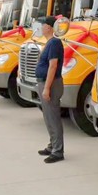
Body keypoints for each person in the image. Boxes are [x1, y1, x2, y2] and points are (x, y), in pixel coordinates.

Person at [35, 16, 65, 163]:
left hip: (51, 84)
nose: (41, 27)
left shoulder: (54, 43)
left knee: (53, 117)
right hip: (45, 83)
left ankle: (58, 151)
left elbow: (53, 66)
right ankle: (52, 145)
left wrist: (46, 88)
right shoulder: (49, 43)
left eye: (43, 25)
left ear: (49, 27)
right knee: (48, 117)